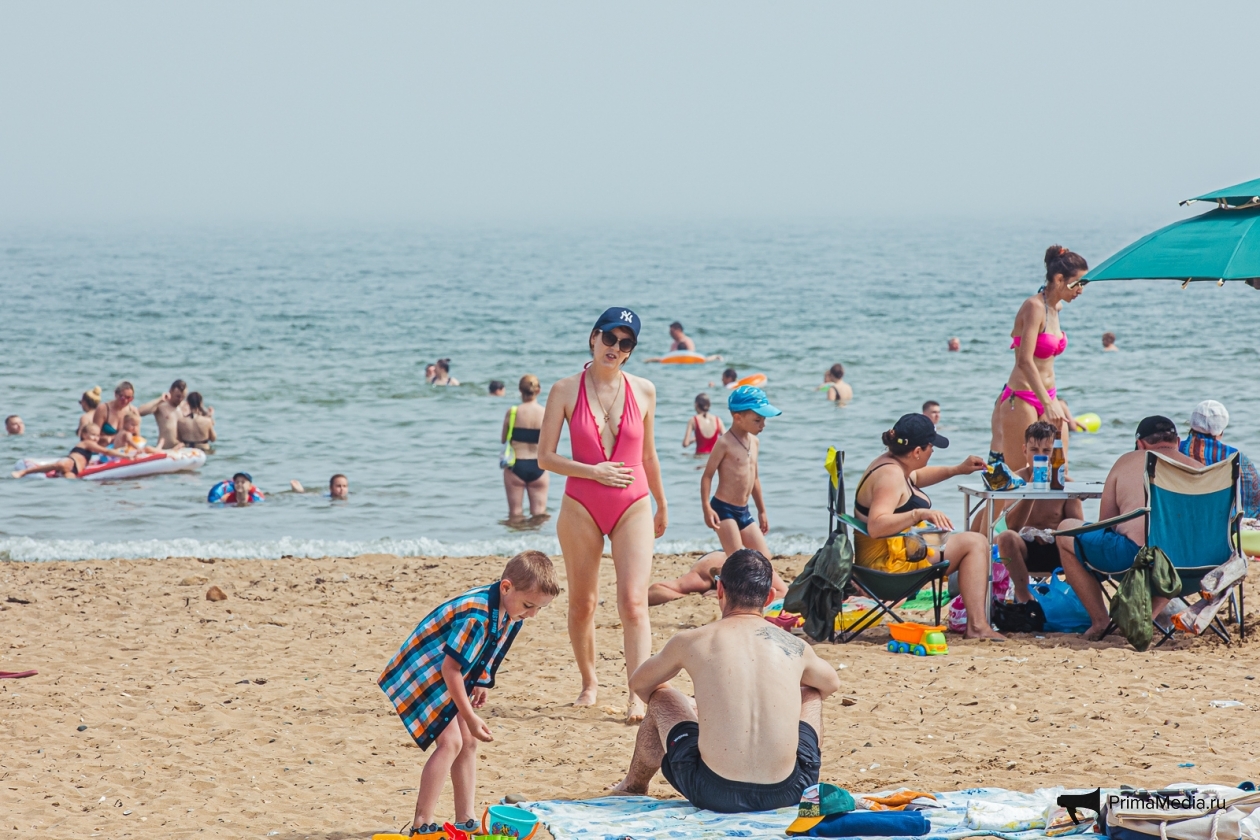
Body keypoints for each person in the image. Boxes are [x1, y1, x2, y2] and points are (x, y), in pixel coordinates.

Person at [613, 549, 839, 812]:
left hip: (714, 792)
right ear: (769, 597)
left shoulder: (692, 640)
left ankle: (634, 785)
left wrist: (692, 707)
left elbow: (640, 684)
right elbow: (830, 684)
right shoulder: (793, 646)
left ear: (720, 590)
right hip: (790, 790)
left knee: (663, 695)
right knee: (811, 691)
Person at [537, 307, 667, 721]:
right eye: (609, 338)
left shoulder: (644, 390)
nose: (615, 348)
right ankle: (589, 683)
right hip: (580, 505)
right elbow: (545, 458)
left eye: (625, 343)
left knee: (633, 603)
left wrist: (663, 503)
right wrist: (592, 471)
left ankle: (637, 694)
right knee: (582, 603)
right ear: (593, 338)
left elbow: (648, 454)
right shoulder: (563, 390)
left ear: (631, 351)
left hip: (634, 505)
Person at [378, 551, 559, 839]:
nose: (532, 614)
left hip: (451, 673)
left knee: (469, 742)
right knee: (450, 743)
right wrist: (470, 715)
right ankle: (421, 824)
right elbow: (449, 670)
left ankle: (465, 819)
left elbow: (491, 651)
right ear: (506, 587)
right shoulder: (476, 615)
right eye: (529, 605)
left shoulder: (512, 613)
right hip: (424, 672)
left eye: (540, 608)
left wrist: (481, 681)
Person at [853, 414, 1003, 640]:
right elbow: (875, 525)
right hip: (888, 569)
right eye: (931, 447)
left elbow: (917, 476)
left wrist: (957, 469)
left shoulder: (891, 463)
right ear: (916, 452)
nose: (933, 451)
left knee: (972, 540)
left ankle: (977, 623)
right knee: (975, 542)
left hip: (896, 553)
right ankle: (977, 626)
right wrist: (918, 514)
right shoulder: (891, 476)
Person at [1055, 416, 1200, 640]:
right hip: (1195, 567)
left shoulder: (1129, 460)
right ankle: (1149, 613)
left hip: (1135, 561)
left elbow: (1107, 523)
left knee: (1065, 531)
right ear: (1178, 442)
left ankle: (1100, 621)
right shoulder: (1200, 470)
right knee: (1175, 545)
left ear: (1140, 444)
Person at [987, 246, 1088, 472]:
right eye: (1078, 283)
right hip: (1021, 398)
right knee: (1021, 474)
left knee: (1059, 469)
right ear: (1060, 279)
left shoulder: (1055, 307)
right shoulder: (1034, 307)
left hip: (1048, 396)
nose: (1081, 289)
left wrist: (1051, 402)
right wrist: (1048, 404)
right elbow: (1024, 361)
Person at [989, 422, 1084, 604]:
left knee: (1078, 540)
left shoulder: (1066, 485)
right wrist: (1031, 490)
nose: (1040, 456)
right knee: (1005, 537)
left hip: (1058, 549)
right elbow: (1013, 526)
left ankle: (1074, 597)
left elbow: (1078, 528)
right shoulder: (1016, 481)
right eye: (1034, 450)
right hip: (1025, 550)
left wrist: (1052, 535)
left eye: (1046, 451)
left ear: (1055, 453)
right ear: (1025, 451)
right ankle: (1026, 600)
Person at [700, 386, 779, 558]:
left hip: (744, 510)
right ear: (738, 418)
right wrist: (706, 507)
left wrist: (762, 511)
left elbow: (755, 479)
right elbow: (707, 476)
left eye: (764, 420)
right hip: (723, 509)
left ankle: (721, 575)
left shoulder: (755, 442)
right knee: (737, 559)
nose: (763, 425)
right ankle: (723, 578)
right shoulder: (724, 443)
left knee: (765, 559)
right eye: (757, 420)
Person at [1179, 400, 1260, 518]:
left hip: (1179, 517)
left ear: (1191, 425)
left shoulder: (1174, 452)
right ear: (1221, 431)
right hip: (1222, 522)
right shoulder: (1235, 457)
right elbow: (1253, 499)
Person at [648, 549, 788, 606]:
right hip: (714, 560)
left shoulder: (754, 565)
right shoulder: (705, 573)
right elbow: (655, 590)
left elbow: (783, 592)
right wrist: (690, 597)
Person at [502, 374, 549, 520]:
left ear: (520, 390)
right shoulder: (545, 413)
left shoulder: (513, 412)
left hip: (516, 466)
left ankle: (516, 542)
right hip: (539, 466)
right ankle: (535, 541)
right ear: (538, 391)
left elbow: (503, 439)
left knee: (515, 513)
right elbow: (549, 442)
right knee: (539, 514)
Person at [12, 423, 114, 478]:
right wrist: (126, 456)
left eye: (97, 435)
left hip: (76, 469)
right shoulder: (87, 442)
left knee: (70, 478)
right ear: (84, 435)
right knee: (60, 465)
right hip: (70, 462)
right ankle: (24, 471)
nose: (95, 438)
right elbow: (107, 451)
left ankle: (57, 475)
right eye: (93, 435)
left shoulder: (91, 446)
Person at [137, 380, 188, 449]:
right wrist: (160, 399)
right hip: (165, 449)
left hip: (182, 449)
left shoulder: (185, 406)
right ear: (170, 391)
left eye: (183, 397)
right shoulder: (161, 406)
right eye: (178, 396)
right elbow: (140, 412)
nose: (180, 399)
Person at [645, 322, 722, 362]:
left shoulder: (688, 341)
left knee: (705, 359)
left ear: (678, 330)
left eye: (672, 332)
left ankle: (716, 356)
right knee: (657, 359)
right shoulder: (673, 344)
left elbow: (692, 355)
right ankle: (646, 361)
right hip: (676, 362)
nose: (670, 334)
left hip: (688, 361)